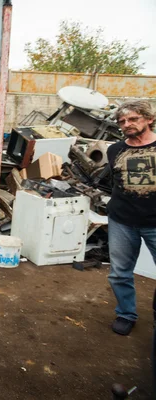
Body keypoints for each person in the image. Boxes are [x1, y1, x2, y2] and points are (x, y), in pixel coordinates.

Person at [107, 100, 156, 336]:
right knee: (119, 272)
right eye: (122, 121)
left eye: (133, 119)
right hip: (122, 221)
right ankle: (126, 314)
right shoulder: (115, 150)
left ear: (149, 119)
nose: (127, 124)